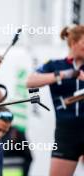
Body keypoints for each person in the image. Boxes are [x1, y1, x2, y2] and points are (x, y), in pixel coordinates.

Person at [26, 25, 84, 176]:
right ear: (73, 42)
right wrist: (64, 74)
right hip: (66, 133)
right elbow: (31, 81)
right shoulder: (54, 65)